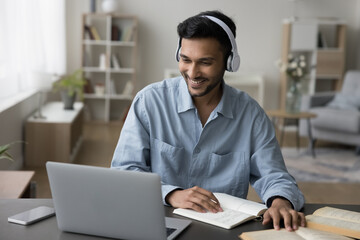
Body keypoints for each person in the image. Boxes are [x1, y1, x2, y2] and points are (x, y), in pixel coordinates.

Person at [111, 10, 305, 231]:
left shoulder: (251, 114)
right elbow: (124, 171)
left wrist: (280, 201)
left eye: (205, 62)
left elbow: (275, 175)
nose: (193, 73)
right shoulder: (149, 102)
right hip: (157, 222)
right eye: (185, 60)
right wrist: (171, 194)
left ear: (229, 62)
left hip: (221, 230)